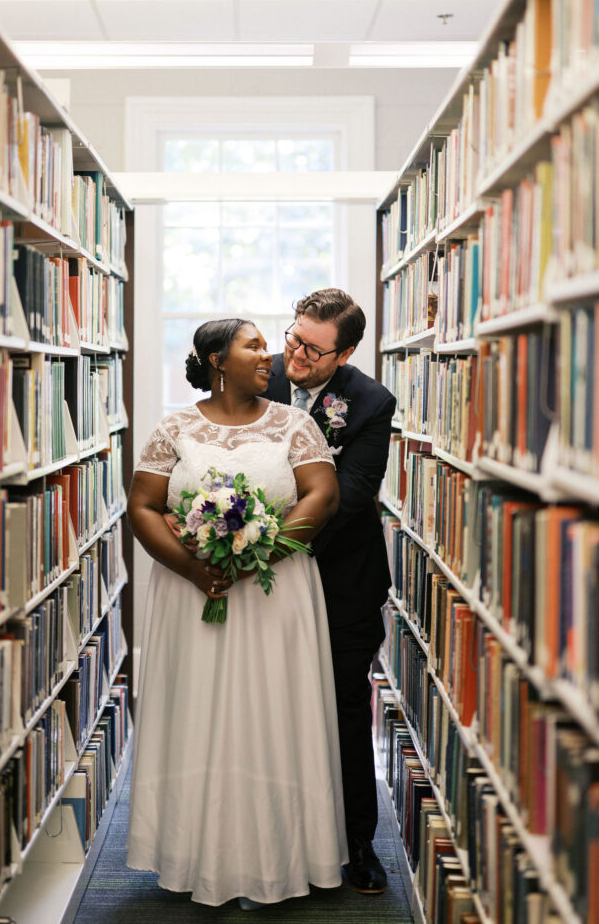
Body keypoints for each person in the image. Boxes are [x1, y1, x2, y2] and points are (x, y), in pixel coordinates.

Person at [126, 317, 348, 909]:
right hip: (193, 591)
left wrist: (258, 554)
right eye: (253, 345)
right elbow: (144, 506)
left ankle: (282, 853)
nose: (269, 354)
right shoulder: (174, 427)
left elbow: (321, 496)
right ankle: (191, 850)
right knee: (197, 712)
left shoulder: (296, 425)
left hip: (276, 591)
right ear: (217, 359)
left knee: (273, 712)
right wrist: (197, 568)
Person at [265, 288, 396, 895]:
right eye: (293, 338)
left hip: (341, 581)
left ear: (342, 354)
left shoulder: (370, 402)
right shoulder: (254, 372)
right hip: (260, 587)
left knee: (345, 712)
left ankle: (357, 842)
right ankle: (269, 834)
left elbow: (350, 493)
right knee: (268, 708)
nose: (296, 356)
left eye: (314, 351)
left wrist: (267, 533)